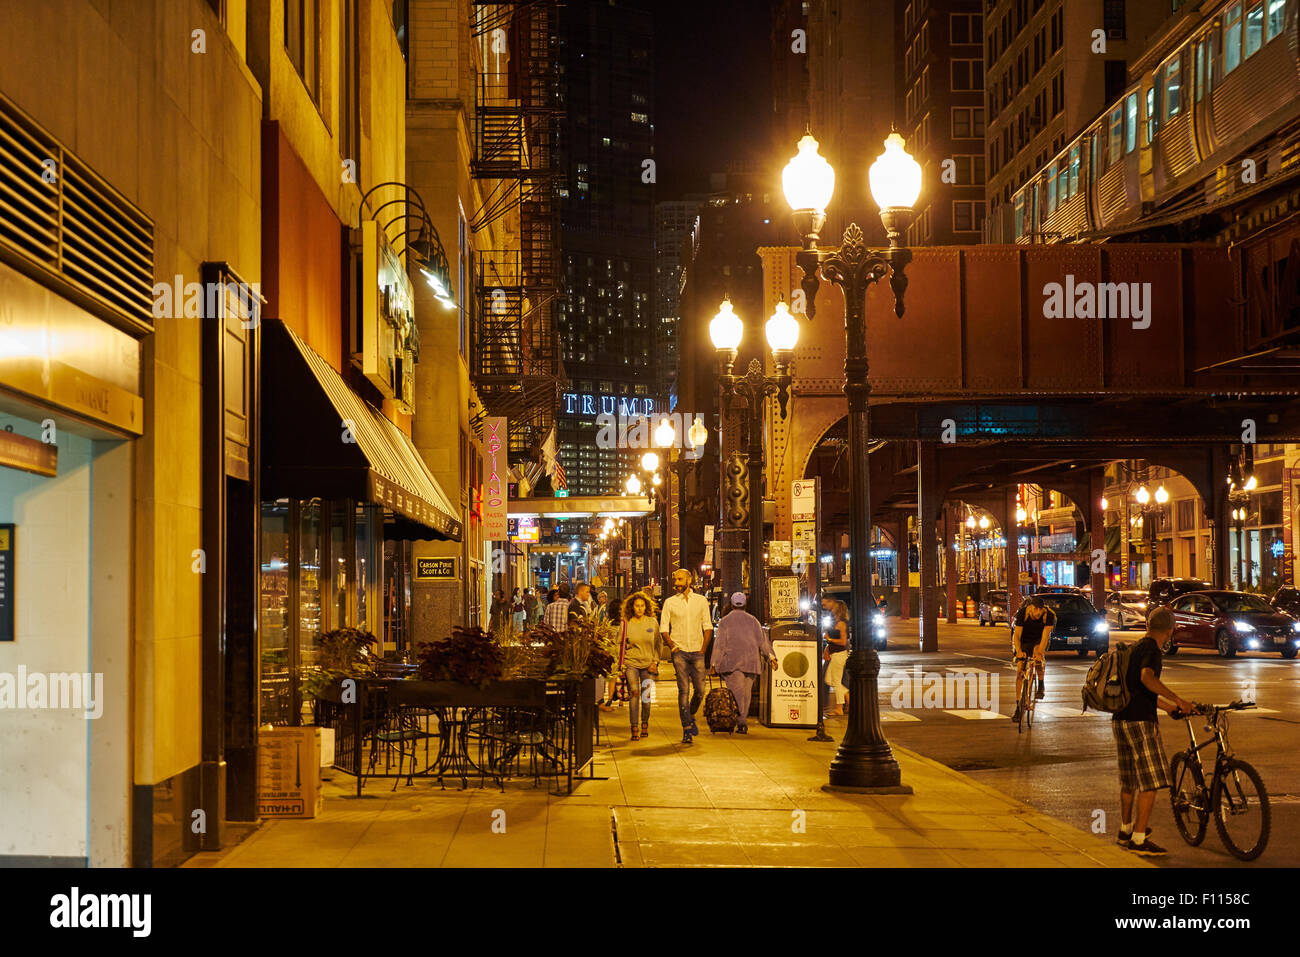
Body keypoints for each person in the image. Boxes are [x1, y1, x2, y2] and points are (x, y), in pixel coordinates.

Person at [1113, 606, 1193, 856]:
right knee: (1150, 781)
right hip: (1140, 723)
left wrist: (1168, 708)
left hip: (1121, 719)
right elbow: (1148, 679)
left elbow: (1138, 689)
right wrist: (1178, 699)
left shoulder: (1135, 647)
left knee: (1129, 781)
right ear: (1170, 631)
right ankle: (1139, 839)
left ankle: (1125, 831)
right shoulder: (1151, 650)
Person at [659, 568, 713, 745]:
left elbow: (707, 626)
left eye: (680, 579)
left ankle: (690, 716)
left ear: (689, 580)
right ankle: (686, 728)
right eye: (675, 580)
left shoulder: (701, 601)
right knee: (684, 690)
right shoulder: (670, 602)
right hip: (680, 650)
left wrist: (703, 649)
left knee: (700, 691)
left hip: (697, 650)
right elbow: (663, 628)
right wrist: (672, 646)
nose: (676, 583)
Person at [710, 592, 777, 734]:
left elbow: (720, 645)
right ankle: (742, 720)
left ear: (731, 604)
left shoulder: (725, 621)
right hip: (751, 662)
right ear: (745, 604)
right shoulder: (753, 620)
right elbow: (762, 641)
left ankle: (741, 721)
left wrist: (714, 664)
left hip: (732, 662)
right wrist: (771, 657)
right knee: (746, 694)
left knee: (737, 693)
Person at [621, 593, 662, 740]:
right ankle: (634, 726)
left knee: (646, 696)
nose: (639, 608)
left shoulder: (652, 622)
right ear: (632, 607)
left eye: (642, 606)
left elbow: (658, 643)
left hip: (648, 664)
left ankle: (645, 723)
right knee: (635, 693)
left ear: (646, 607)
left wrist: (655, 660)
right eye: (637, 606)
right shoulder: (626, 623)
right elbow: (619, 643)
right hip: (631, 663)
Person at [1010, 595, 1057, 721]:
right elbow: (1017, 635)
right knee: (1020, 670)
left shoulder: (1049, 615)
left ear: (1043, 609)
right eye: (1035, 609)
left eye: (1040, 609)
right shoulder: (1022, 613)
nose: (1037, 612)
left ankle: (1041, 684)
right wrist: (1019, 652)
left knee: (1037, 658)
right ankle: (1018, 706)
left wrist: (1040, 652)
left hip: (1039, 640)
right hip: (1024, 640)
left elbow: (1046, 635)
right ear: (1031, 607)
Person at [820, 596, 850, 717]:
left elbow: (843, 642)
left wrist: (829, 639)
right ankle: (848, 698)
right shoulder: (836, 623)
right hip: (834, 654)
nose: (831, 610)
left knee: (836, 681)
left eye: (834, 609)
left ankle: (839, 708)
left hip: (839, 655)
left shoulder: (842, 624)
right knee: (828, 679)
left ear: (838, 610)